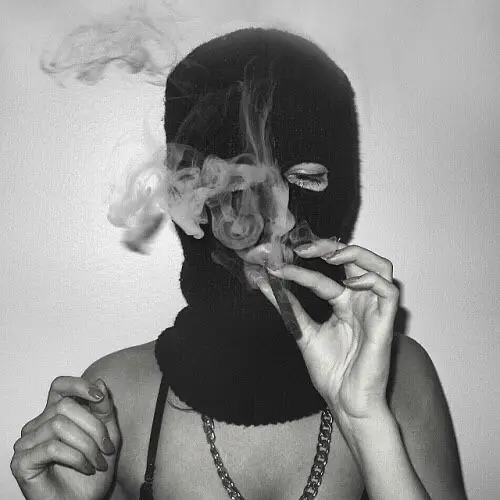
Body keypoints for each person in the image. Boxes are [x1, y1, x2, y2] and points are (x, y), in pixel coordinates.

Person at [11, 27, 467, 500]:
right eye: (233, 183)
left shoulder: (398, 378)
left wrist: (365, 420)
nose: (275, 218)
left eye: (304, 178)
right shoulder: (116, 398)